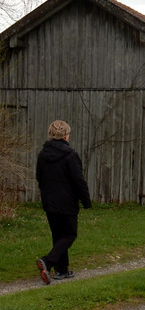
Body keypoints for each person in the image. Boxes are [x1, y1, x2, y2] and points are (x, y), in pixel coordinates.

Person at [35, 120, 91, 285]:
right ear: (66, 135)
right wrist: (85, 200)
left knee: (58, 235)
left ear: (51, 135)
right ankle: (48, 261)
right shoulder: (70, 155)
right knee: (69, 234)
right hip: (67, 202)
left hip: (49, 201)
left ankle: (62, 270)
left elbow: (40, 178)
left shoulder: (42, 155)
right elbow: (78, 180)